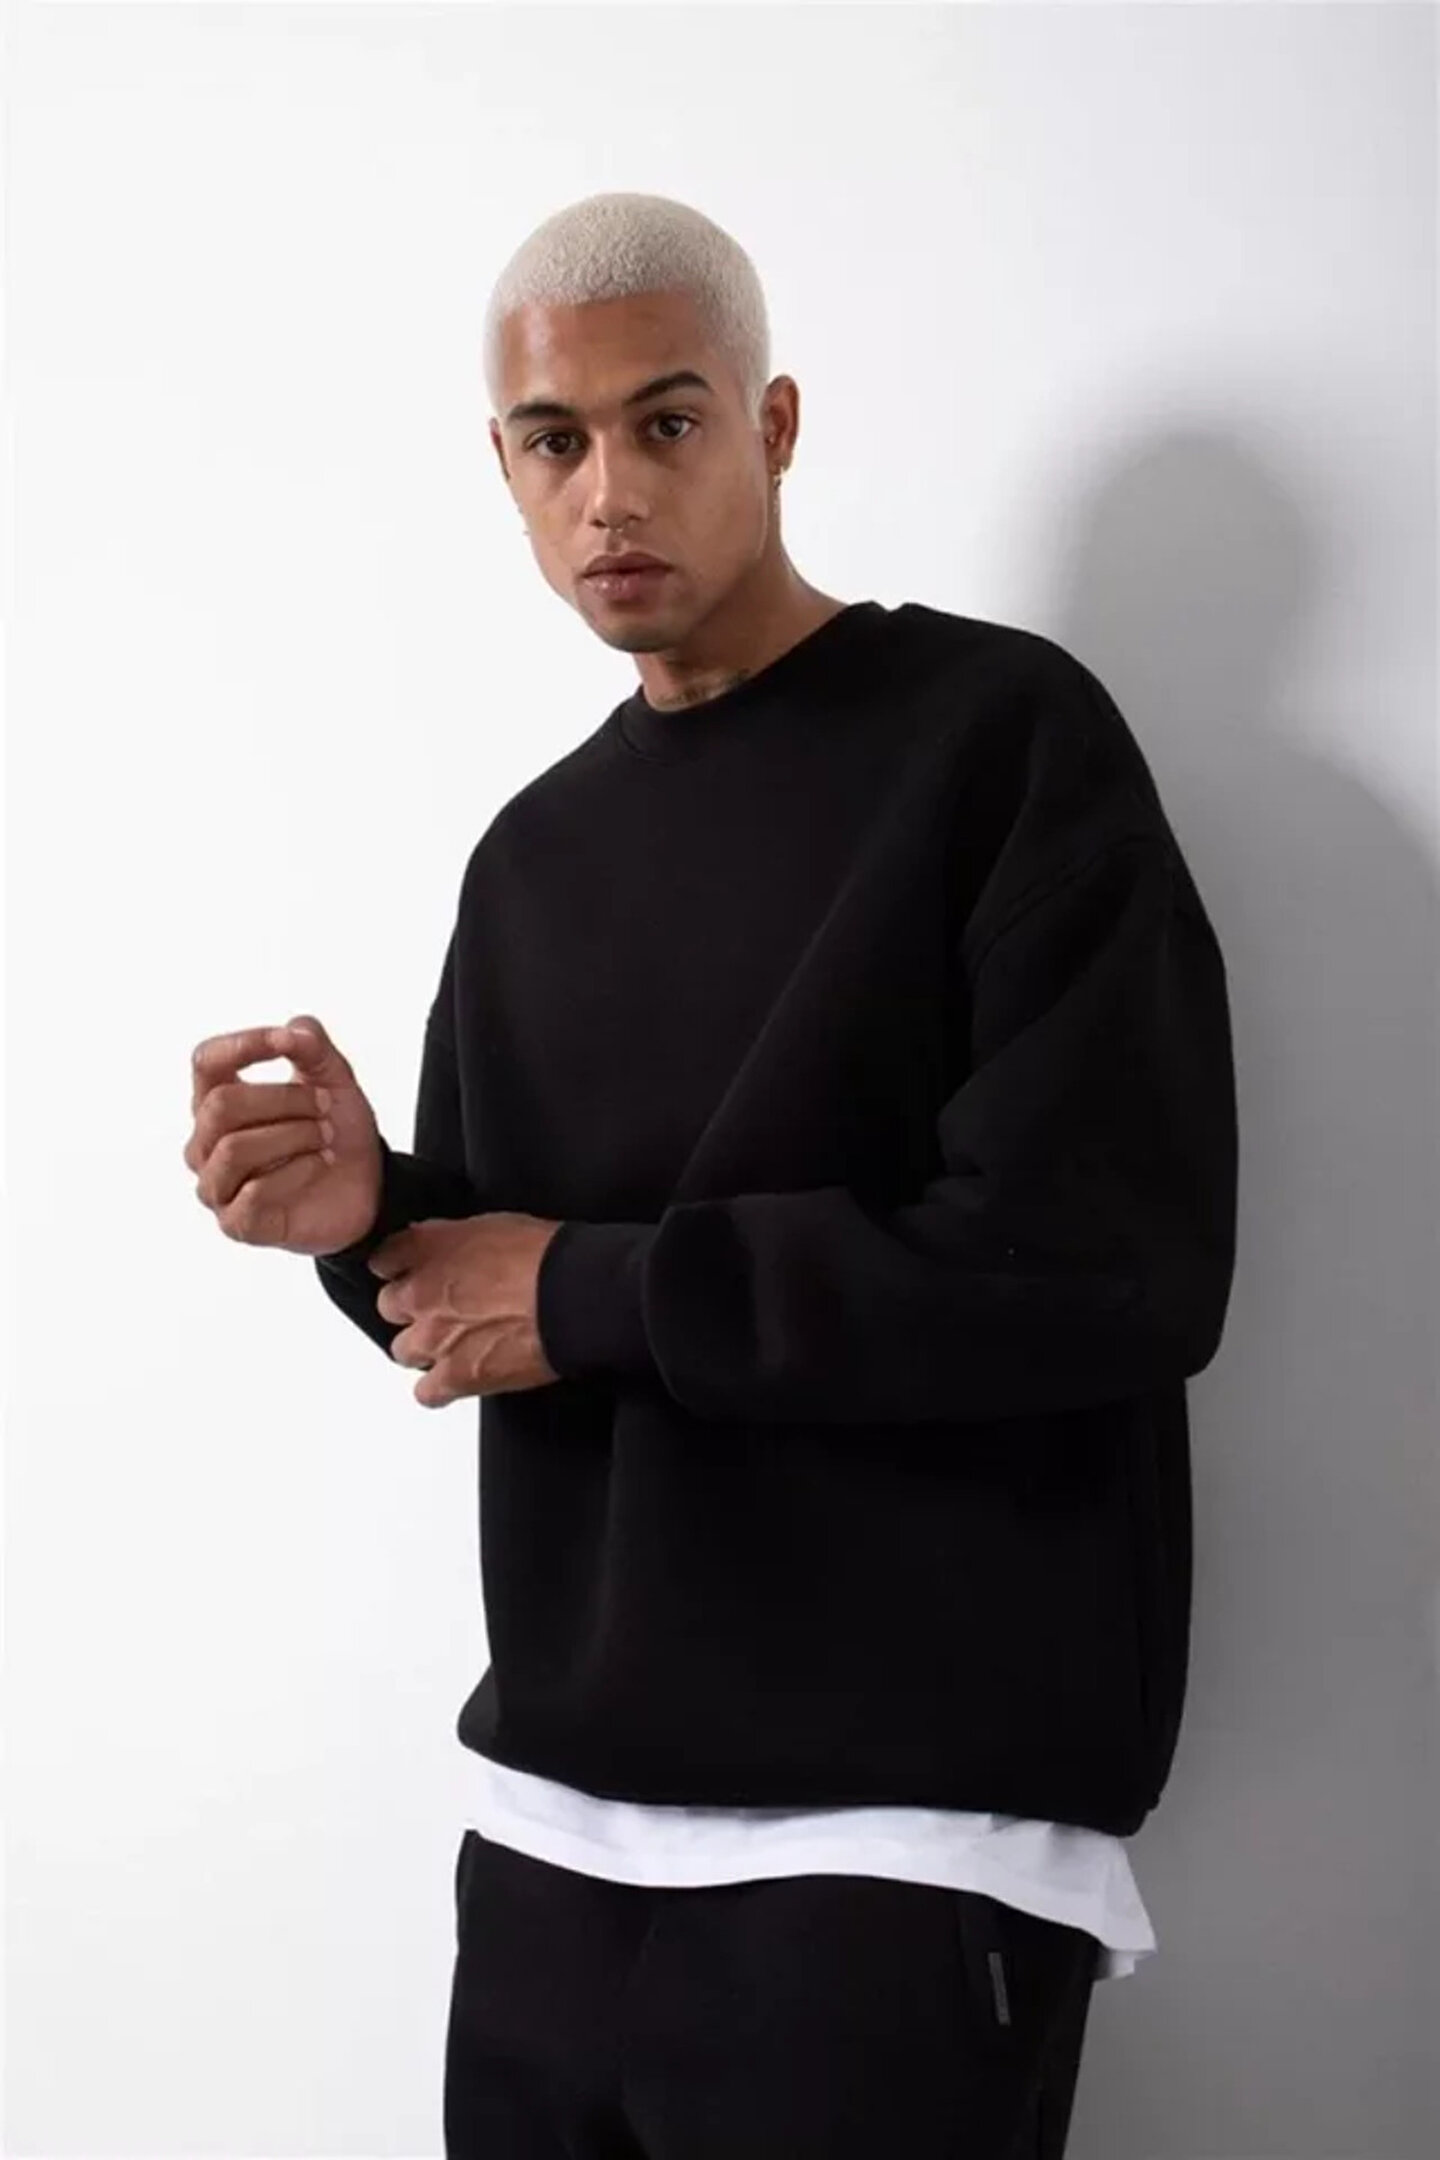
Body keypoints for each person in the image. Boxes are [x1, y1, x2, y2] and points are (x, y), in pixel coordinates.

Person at [185, 191, 1238, 2159]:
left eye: (665, 422)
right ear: (503, 469)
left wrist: (583, 1288)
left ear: (774, 423)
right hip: (552, 1841)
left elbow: (1110, 1264)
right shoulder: (534, 857)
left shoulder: (999, 744)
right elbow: (503, 1289)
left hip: (901, 1846)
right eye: (554, 442)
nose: (610, 492)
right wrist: (369, 1218)